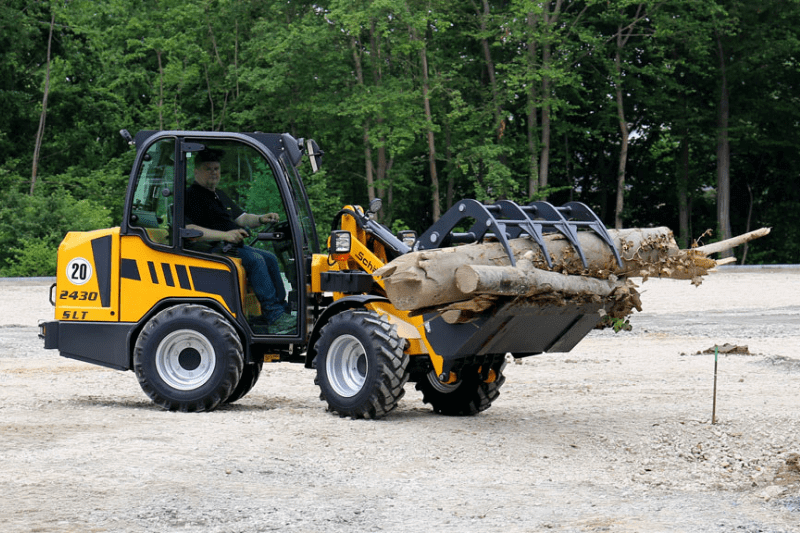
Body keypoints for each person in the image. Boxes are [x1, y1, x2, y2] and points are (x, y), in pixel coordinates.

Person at [185, 149, 295, 334]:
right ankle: (274, 314)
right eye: (208, 169)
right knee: (256, 260)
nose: (213, 172)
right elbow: (189, 229)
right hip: (211, 249)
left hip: (228, 247)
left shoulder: (218, 195)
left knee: (269, 258)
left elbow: (242, 218)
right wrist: (225, 235)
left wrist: (261, 218)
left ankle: (279, 311)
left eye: (216, 169)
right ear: (196, 172)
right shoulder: (191, 196)